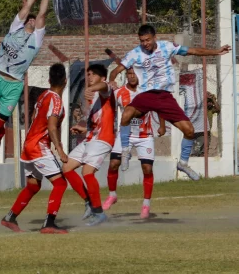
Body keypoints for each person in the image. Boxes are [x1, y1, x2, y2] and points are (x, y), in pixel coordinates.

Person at [109, 24, 231, 180]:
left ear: (154, 37)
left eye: (147, 40)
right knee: (127, 113)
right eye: (142, 41)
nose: (145, 43)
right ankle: (125, 150)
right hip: (146, 95)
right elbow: (115, 71)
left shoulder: (167, 47)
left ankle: (183, 164)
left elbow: (193, 51)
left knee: (189, 130)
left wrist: (217, 51)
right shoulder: (135, 53)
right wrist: (112, 81)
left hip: (165, 97)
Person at [0, 0, 53, 163]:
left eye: (33, 19)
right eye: (29, 18)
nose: (31, 19)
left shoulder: (36, 41)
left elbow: (42, 15)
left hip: (13, 86)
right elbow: (26, 8)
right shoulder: (14, 29)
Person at [1, 63, 69, 234]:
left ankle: (10, 218)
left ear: (48, 80)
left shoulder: (43, 95)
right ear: (66, 81)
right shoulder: (56, 100)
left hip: (29, 144)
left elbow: (33, 117)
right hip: (39, 147)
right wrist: (60, 149)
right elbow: (52, 127)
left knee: (33, 186)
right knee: (60, 183)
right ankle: (49, 224)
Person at [102, 68, 165, 218]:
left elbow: (160, 107)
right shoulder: (119, 93)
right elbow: (110, 86)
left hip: (145, 136)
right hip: (125, 135)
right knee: (113, 164)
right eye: (129, 73)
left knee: (147, 168)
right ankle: (112, 195)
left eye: (135, 73)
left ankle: (146, 205)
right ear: (126, 75)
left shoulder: (147, 92)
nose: (132, 76)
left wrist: (162, 125)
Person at [63, 64, 116, 226]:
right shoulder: (92, 98)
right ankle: (88, 203)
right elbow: (96, 123)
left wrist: (95, 87)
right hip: (91, 138)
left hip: (103, 140)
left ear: (102, 77)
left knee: (87, 172)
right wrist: (83, 128)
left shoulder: (105, 91)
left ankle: (99, 213)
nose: (89, 77)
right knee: (66, 167)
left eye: (92, 74)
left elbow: (105, 85)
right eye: (88, 75)